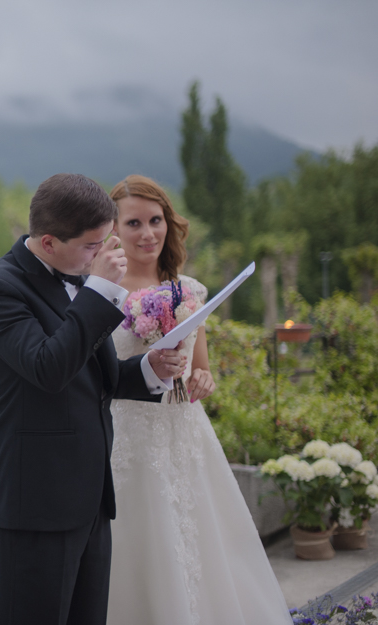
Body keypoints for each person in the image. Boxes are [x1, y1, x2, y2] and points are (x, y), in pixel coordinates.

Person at [0, 173, 186, 625]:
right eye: (92, 245)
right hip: (37, 502)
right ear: (49, 242)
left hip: (90, 497)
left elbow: (92, 378)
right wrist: (100, 291)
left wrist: (150, 369)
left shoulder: (77, 277)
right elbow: (48, 368)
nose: (105, 254)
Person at [105, 174, 292, 625]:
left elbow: (200, 369)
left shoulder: (187, 289)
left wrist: (203, 380)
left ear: (168, 223)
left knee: (204, 541)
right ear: (113, 229)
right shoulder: (102, 290)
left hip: (185, 435)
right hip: (129, 439)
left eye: (155, 220)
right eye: (134, 223)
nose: (147, 233)